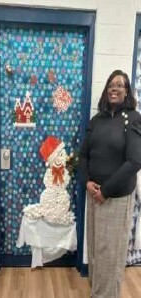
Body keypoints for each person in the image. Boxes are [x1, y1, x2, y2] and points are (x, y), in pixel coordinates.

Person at [79, 69, 141, 298]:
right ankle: (98, 293)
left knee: (110, 254)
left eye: (119, 85)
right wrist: (87, 182)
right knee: (96, 250)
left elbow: (135, 161)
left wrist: (105, 191)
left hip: (115, 198)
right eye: (110, 85)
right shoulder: (96, 120)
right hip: (93, 194)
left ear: (126, 91)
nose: (114, 88)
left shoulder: (133, 118)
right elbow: (84, 155)